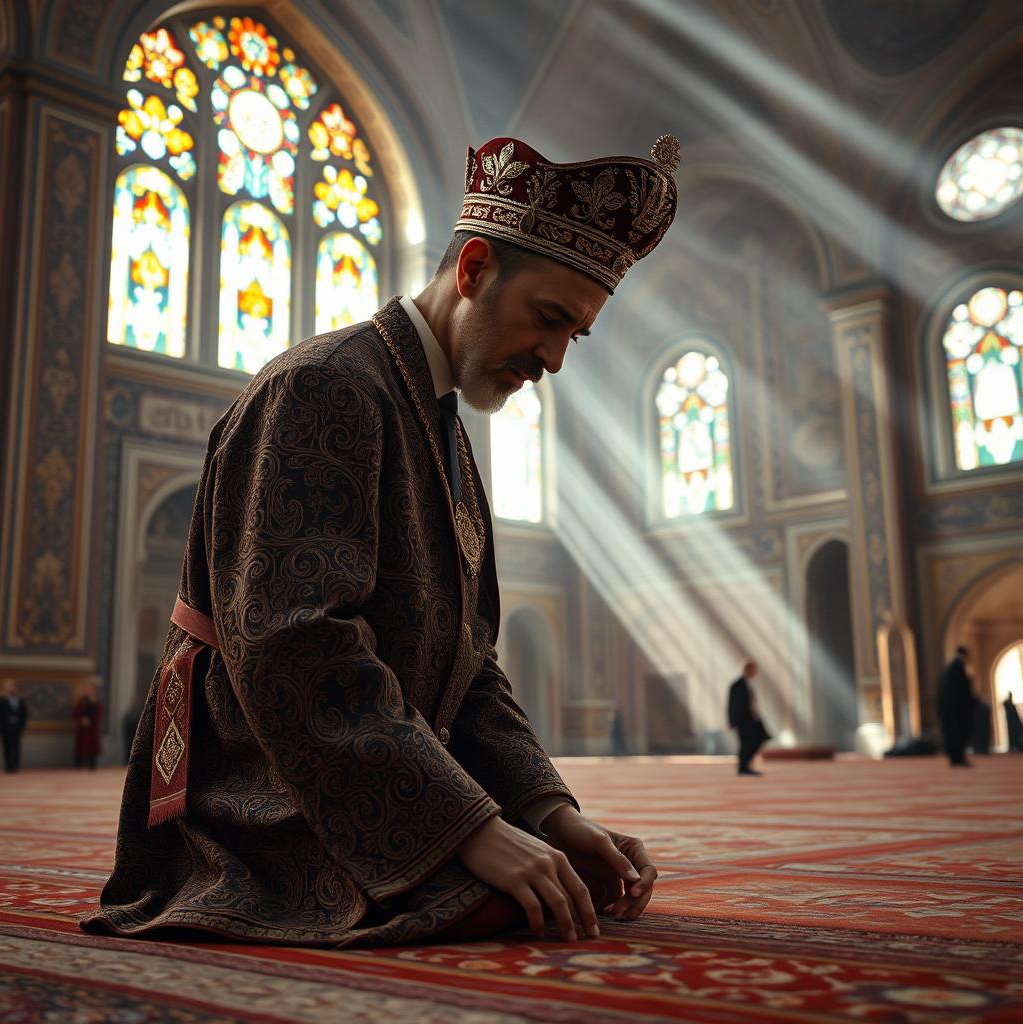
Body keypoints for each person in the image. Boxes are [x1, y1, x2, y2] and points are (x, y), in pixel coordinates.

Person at [82, 134, 681, 948]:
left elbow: (469, 665)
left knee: (559, 879)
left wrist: (552, 814)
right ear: (472, 270)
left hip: (375, 775)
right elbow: (294, 645)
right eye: (549, 319)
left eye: (574, 335)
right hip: (252, 789)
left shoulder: (444, 429)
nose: (553, 359)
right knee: (515, 904)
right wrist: (467, 827)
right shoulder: (325, 386)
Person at [727, 661, 771, 776]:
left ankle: (746, 765)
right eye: (754, 669)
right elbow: (732, 705)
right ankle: (743, 768)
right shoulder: (736, 685)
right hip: (742, 721)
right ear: (747, 670)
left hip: (752, 719)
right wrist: (732, 721)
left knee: (758, 739)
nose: (756, 672)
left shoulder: (748, 684)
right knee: (745, 744)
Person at [936, 646, 974, 767]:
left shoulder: (950, 667)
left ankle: (956, 759)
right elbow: (962, 691)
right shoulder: (957, 667)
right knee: (957, 734)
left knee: (952, 734)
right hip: (955, 710)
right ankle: (958, 759)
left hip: (949, 709)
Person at [0, 679, 29, 773]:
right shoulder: (1, 700)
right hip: (5, 727)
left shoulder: (21, 701)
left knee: (16, 746)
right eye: (9, 686)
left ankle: (16, 766)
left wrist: (22, 726)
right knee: (6, 747)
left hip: (17, 727)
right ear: (5, 688)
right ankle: (8, 767)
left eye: (13, 686)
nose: (11, 688)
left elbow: (24, 715)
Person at [74, 683, 102, 770]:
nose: (87, 691)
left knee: (92, 747)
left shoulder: (96, 702)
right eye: (86, 689)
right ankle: (80, 765)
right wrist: (81, 720)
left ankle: (92, 765)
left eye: (89, 689)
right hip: (83, 729)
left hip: (92, 728)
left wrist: (93, 704)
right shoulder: (81, 701)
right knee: (81, 747)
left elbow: (99, 714)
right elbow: (77, 713)